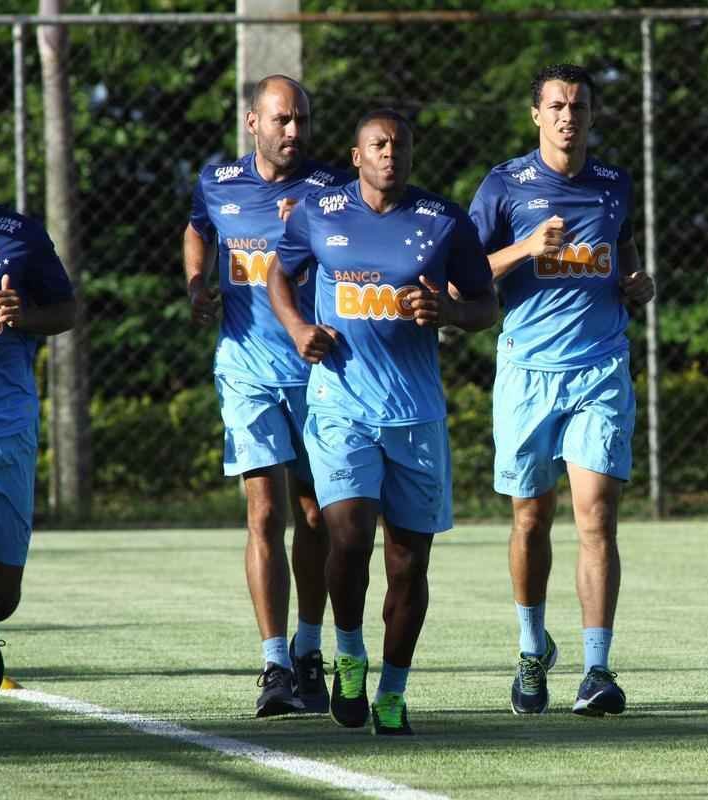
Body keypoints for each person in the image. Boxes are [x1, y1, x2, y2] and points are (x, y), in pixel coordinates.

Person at [268, 109, 496, 734]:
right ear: (357, 155)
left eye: (399, 144)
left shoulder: (444, 220)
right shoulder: (320, 212)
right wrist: (297, 328)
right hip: (340, 404)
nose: (390, 152)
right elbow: (279, 275)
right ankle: (349, 654)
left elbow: (486, 306)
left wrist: (449, 311)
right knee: (347, 537)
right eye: (378, 144)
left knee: (408, 563)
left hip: (415, 416)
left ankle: (392, 692)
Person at [468, 64, 655, 717]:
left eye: (578, 106)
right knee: (531, 518)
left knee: (596, 516)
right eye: (556, 106)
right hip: (527, 372)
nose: (568, 117)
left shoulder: (613, 183)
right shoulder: (504, 185)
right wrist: (524, 247)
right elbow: (464, 275)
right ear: (536, 115)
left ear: (591, 115)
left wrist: (636, 282)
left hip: (599, 368)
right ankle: (530, 649)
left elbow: (624, 253)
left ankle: (597, 670)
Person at [184, 75, 350, 717]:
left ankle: (309, 649)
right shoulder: (218, 182)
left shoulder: (332, 192)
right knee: (264, 512)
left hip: (320, 373)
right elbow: (197, 229)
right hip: (246, 370)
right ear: (253, 122)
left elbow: (359, 263)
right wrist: (196, 282)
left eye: (302, 119)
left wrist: (307, 237)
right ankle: (275, 663)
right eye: (282, 119)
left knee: (316, 516)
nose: (294, 131)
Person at [0, 106, 77, 751]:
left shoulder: (19, 235)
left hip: (4, 426)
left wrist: (22, 315)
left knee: (0, 592)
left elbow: (65, 310)